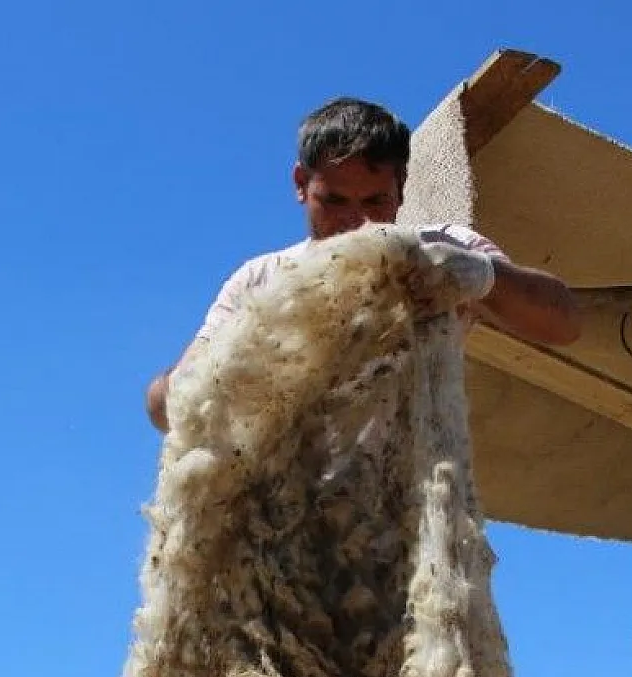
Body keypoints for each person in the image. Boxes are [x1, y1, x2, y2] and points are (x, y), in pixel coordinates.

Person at [144, 97, 581, 432]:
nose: (356, 222)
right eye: (334, 201)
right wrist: (180, 388)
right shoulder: (261, 278)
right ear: (301, 184)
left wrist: (482, 276)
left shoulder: (440, 252)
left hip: (402, 505)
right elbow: (165, 410)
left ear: (402, 187)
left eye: (375, 201)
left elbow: (562, 323)